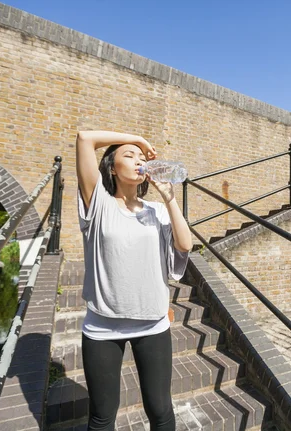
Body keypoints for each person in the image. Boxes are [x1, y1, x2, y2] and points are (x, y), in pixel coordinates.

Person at [75, 131, 192, 430]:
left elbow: (185, 245)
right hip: (103, 326)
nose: (139, 161)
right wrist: (137, 138)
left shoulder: (155, 210)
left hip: (152, 323)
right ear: (112, 168)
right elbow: (85, 139)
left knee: (161, 409)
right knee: (102, 416)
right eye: (129, 155)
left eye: (142, 158)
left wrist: (170, 200)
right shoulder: (97, 203)